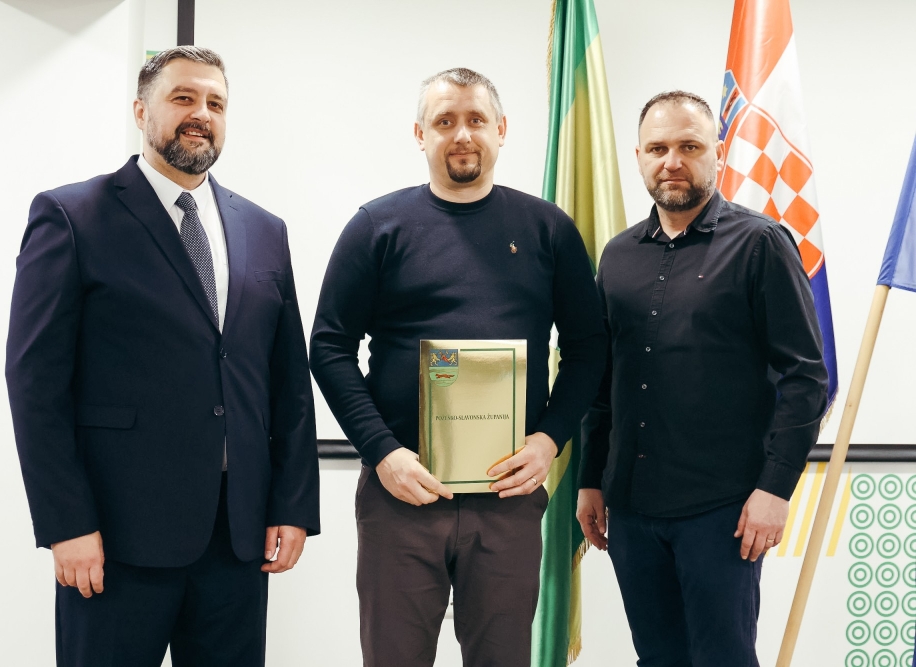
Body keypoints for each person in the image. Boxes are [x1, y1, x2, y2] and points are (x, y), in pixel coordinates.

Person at [5, 46, 319, 667]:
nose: (201, 113)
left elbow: (286, 381)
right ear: (140, 111)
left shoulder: (265, 229)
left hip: (236, 537)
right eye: (183, 98)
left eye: (215, 103)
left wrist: (292, 505)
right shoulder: (73, 217)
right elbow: (35, 382)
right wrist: (66, 522)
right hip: (115, 538)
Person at [309, 68, 607, 667]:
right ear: (420, 133)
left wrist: (549, 441)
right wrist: (381, 451)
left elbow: (588, 348)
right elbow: (329, 347)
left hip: (507, 495)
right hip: (401, 494)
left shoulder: (548, 229)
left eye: (476, 119)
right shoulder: (376, 227)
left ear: (501, 129)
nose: (462, 134)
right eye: (444, 121)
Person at [576, 90, 828, 666]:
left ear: (718, 152)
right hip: (632, 507)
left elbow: (806, 378)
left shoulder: (761, 244)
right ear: (639, 157)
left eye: (689, 147)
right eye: (658, 148)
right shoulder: (617, 256)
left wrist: (775, 489)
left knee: (723, 658)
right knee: (657, 659)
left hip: (724, 510)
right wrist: (591, 478)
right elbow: (605, 380)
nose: (673, 161)